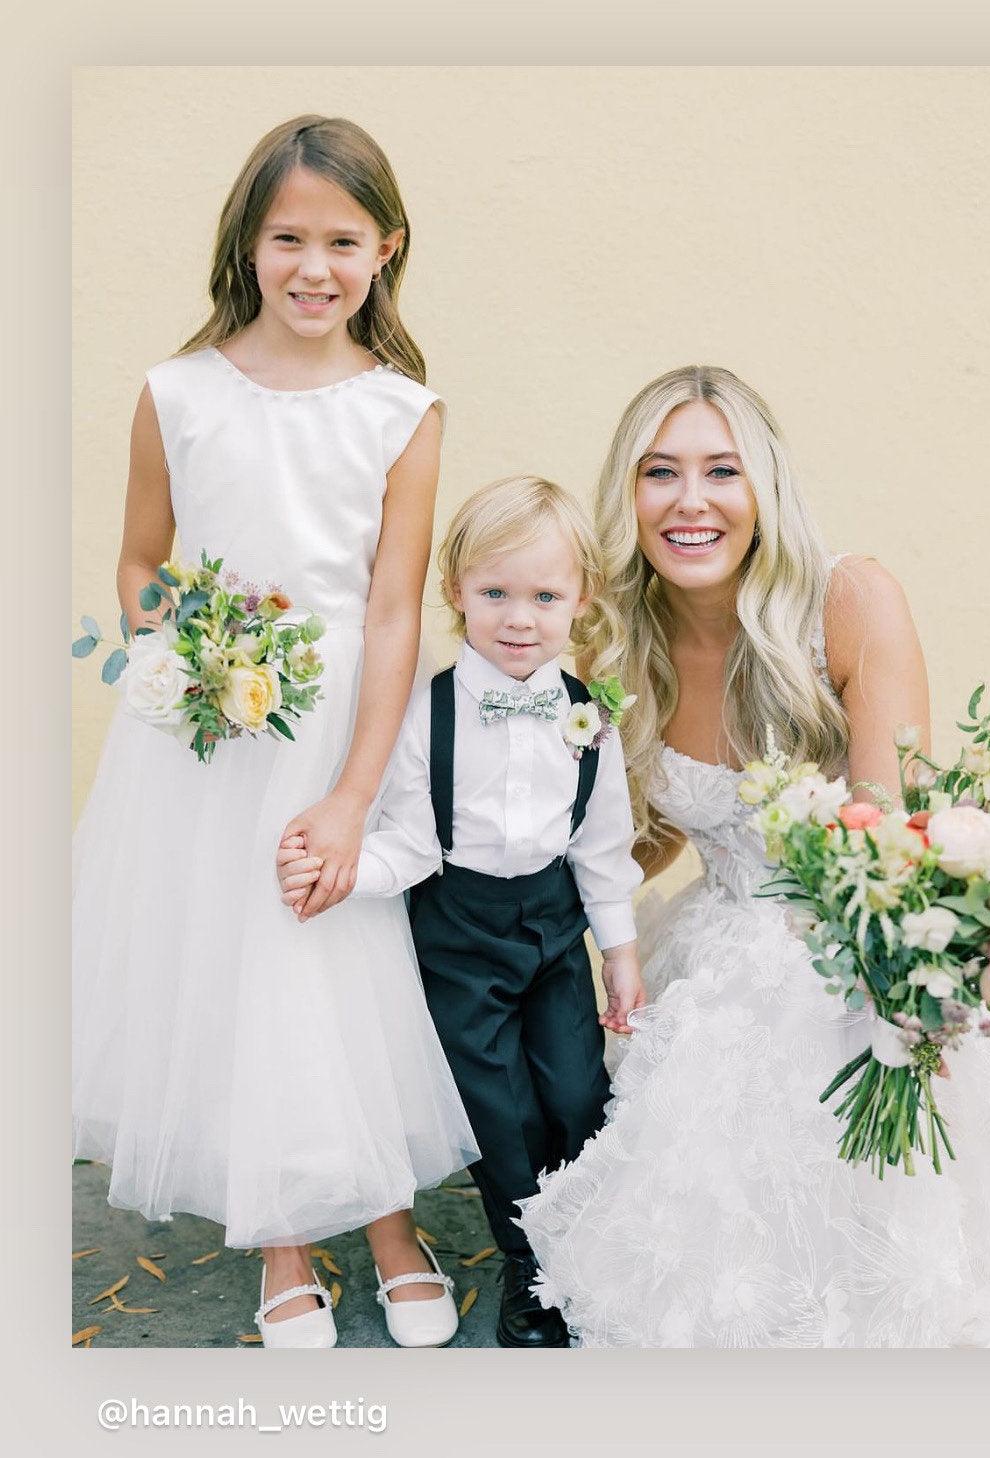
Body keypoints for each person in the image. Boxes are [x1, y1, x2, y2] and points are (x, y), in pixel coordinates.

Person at [515, 366, 990, 1348]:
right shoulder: (616, 642)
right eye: (660, 472)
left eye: (722, 471)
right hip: (713, 931)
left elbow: (889, 828)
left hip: (854, 927)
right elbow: (660, 832)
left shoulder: (849, 600)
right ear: (629, 493)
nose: (690, 501)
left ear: (765, 488)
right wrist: (526, 899)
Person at [72, 115, 480, 1350]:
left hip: (340, 724)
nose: (314, 267)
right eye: (288, 238)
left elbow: (393, 608)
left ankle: (393, 1228)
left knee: (342, 963)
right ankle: (283, 1247)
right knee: (239, 969)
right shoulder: (177, 394)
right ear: (247, 245)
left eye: (343, 241)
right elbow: (142, 562)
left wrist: (354, 795)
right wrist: (184, 657)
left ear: (386, 248)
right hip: (210, 737)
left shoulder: (403, 411)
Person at [278, 475, 645, 1346]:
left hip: (553, 931)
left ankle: (587, 1248)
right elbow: (409, 842)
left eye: (545, 597)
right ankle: (529, 1266)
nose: (520, 619)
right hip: (458, 936)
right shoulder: (425, 714)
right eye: (495, 594)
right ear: (455, 591)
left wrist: (620, 952)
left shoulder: (592, 717)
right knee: (500, 1112)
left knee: (579, 1093)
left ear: (581, 598)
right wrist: (346, 871)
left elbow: (601, 845)